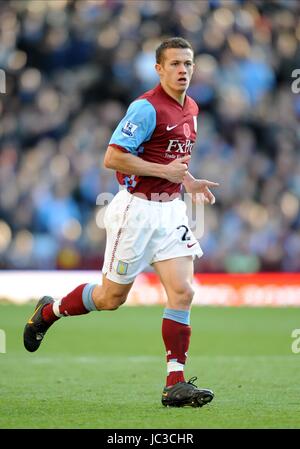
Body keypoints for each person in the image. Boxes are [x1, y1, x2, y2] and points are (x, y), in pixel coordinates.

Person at [23, 37, 219, 408]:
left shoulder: (191, 107)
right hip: (136, 211)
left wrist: (189, 182)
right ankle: (49, 311)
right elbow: (113, 157)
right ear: (159, 69)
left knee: (183, 291)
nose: (183, 71)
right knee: (110, 298)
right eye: (175, 64)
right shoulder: (145, 108)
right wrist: (165, 172)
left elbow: (173, 160)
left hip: (171, 210)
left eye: (188, 64)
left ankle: (174, 383)